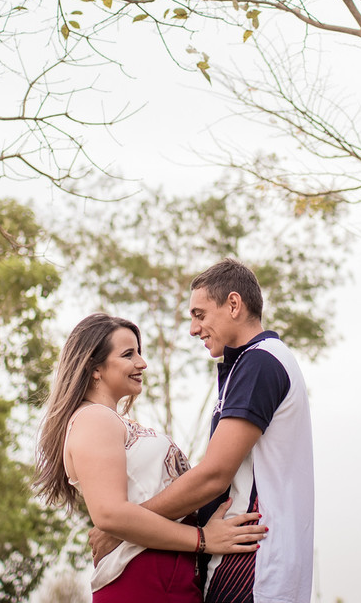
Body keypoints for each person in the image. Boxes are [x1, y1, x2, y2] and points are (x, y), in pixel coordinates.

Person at [90, 258, 316, 603]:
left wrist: (124, 526)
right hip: (255, 559)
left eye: (200, 314)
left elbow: (214, 474)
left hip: (253, 566)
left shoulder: (259, 362)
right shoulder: (256, 362)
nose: (194, 329)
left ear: (234, 304)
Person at [35, 312, 267, 602]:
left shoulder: (116, 422)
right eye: (128, 354)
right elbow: (109, 514)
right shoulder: (93, 419)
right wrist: (203, 539)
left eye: (139, 353)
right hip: (143, 577)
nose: (142, 363)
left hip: (171, 574)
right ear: (95, 368)